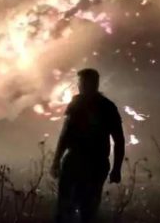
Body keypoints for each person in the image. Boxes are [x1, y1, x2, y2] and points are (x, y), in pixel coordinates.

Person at [50, 68, 125, 223]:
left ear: (94, 84)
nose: (81, 86)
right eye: (81, 83)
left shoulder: (106, 107)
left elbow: (119, 139)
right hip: (74, 161)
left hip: (95, 164)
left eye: (84, 83)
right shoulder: (76, 103)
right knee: (64, 209)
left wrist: (117, 168)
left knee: (87, 210)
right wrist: (56, 160)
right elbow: (65, 134)